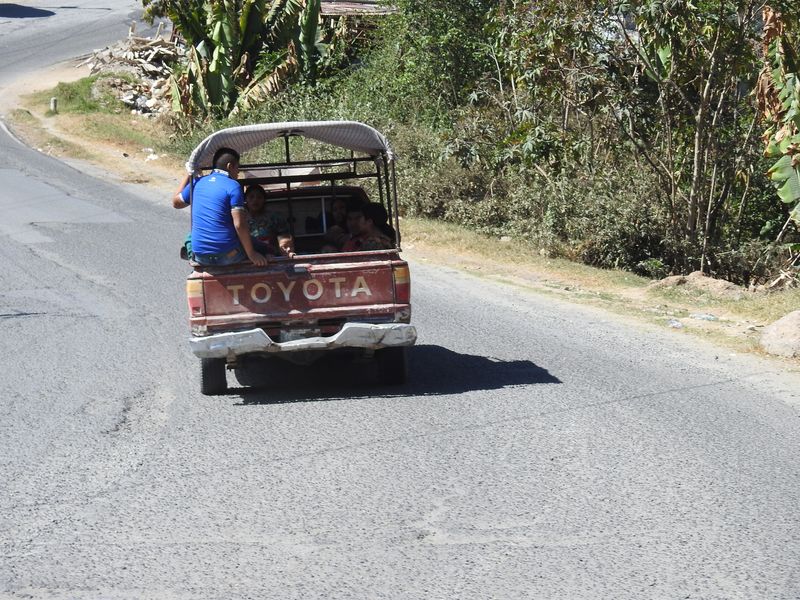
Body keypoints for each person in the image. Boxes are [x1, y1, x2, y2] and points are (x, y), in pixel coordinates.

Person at [173, 148, 268, 267]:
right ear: (229, 166)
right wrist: (252, 254)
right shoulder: (233, 186)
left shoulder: (197, 182)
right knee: (259, 245)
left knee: (190, 236)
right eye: (237, 168)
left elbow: (176, 203)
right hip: (228, 256)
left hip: (200, 256)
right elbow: (239, 225)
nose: (238, 173)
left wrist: (190, 175)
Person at [244, 184, 295, 258]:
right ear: (245, 200)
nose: (255, 200)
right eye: (251, 197)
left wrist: (285, 248)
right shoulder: (240, 219)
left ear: (264, 200)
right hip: (248, 257)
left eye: (259, 197)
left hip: (272, 257)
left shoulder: (275, 218)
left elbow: (284, 238)